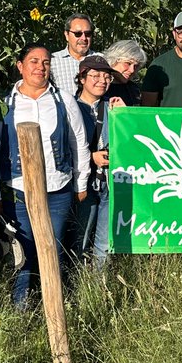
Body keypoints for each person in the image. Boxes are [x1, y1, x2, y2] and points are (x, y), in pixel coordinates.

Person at [0, 43, 90, 304]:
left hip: (58, 188)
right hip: (19, 188)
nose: (40, 67)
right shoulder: (6, 102)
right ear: (20, 66)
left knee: (54, 247)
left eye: (46, 62)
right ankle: (21, 306)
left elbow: (78, 143)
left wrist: (80, 182)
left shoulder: (63, 99)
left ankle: (53, 303)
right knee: (24, 249)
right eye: (34, 61)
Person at [72, 54, 123, 270]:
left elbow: (130, 140)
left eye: (107, 77)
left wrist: (125, 113)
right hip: (83, 183)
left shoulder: (112, 108)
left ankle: (99, 287)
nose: (102, 80)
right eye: (96, 75)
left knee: (105, 242)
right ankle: (75, 287)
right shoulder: (70, 107)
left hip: (108, 185)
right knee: (79, 239)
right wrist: (91, 157)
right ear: (82, 78)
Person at [49, 13, 99, 98]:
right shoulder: (52, 61)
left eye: (88, 33)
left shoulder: (101, 60)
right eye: (78, 34)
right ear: (66, 35)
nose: (83, 38)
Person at [102, 39, 147, 106]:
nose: (132, 70)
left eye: (136, 66)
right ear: (113, 60)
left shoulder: (134, 89)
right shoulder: (101, 86)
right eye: (128, 63)